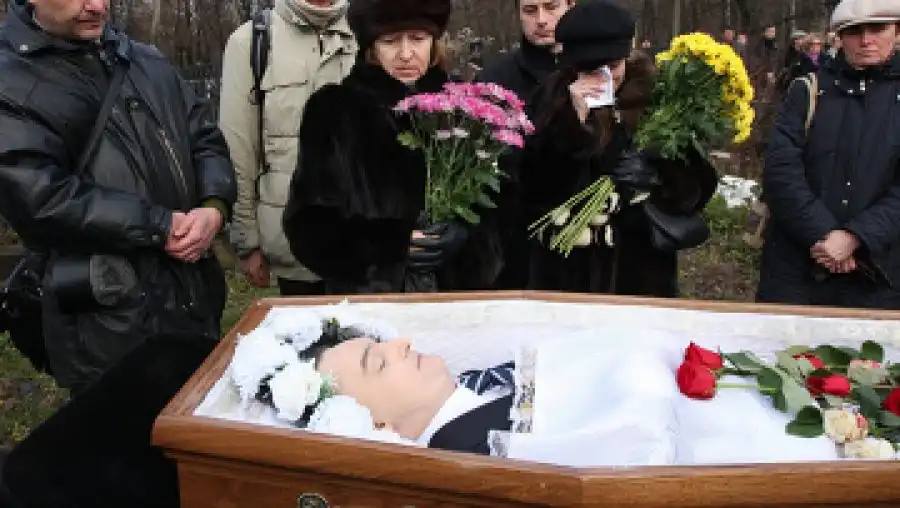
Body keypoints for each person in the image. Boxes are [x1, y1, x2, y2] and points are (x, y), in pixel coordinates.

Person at [0, 0, 235, 395]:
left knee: (197, 416)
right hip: (105, 320)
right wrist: (158, 225)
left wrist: (214, 206)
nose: (97, 5)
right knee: (123, 426)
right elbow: (38, 198)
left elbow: (205, 138)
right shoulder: (11, 79)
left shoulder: (146, 60)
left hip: (190, 294)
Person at [282, 0, 502, 294]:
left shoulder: (466, 110)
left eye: (417, 38)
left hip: (456, 300)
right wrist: (392, 246)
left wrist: (466, 236)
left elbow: (499, 210)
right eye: (390, 41)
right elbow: (308, 228)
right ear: (371, 46)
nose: (406, 54)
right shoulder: (335, 110)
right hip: (371, 301)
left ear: (434, 41)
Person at [517, 0, 717, 296]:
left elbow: (696, 188)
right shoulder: (551, 98)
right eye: (590, 69)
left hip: (638, 269)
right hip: (567, 271)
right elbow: (531, 185)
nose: (604, 78)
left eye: (612, 67)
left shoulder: (658, 101)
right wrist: (571, 123)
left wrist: (655, 176)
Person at [757, 0, 900, 309]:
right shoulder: (807, 90)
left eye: (878, 29)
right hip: (796, 269)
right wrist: (824, 235)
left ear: (897, 31)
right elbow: (781, 170)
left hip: (879, 274)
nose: (866, 40)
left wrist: (855, 237)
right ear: (840, 36)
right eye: (854, 31)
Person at [220, 0, 356, 296]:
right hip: (293, 243)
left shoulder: (371, 35)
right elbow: (238, 149)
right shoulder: (251, 42)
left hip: (365, 242)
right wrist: (247, 242)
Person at [474, 0, 576, 290]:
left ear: (571, 6)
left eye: (551, 7)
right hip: (516, 238)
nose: (541, 20)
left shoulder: (596, 70)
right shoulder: (495, 79)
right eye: (530, 11)